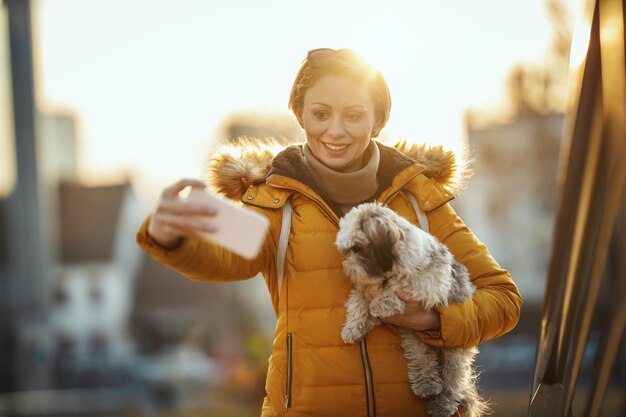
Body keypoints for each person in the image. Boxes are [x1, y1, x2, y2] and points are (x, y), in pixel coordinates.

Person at [136, 48, 522, 417]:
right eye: (320, 113)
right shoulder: (273, 200)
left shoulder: (420, 198)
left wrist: (437, 320)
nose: (335, 131)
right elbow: (223, 260)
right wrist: (171, 236)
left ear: (378, 120)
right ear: (300, 115)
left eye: (353, 115)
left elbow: (503, 300)